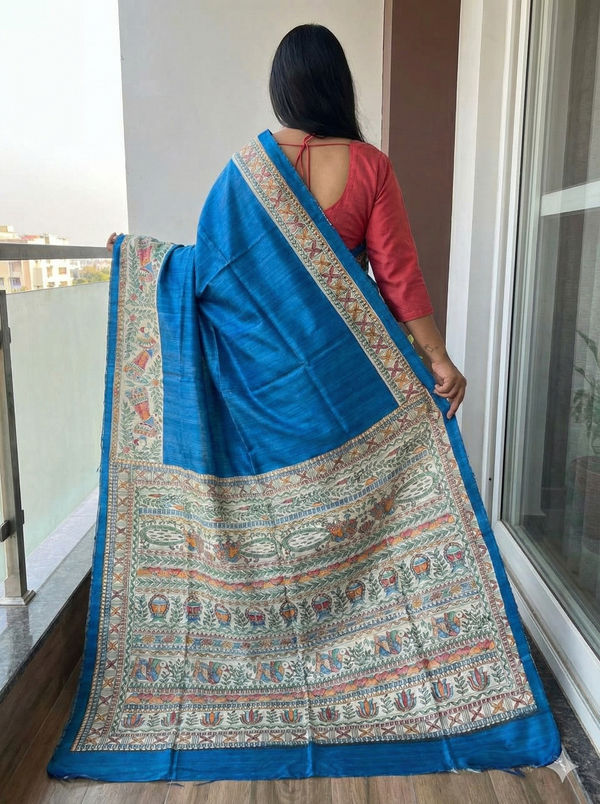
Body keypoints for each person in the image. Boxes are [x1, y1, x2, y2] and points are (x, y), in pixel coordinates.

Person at [50, 24, 560, 783]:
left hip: (263, 400)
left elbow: (210, 281)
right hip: (347, 397)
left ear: (284, 88)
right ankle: (367, 660)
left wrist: (145, 263)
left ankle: (282, 667)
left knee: (271, 536)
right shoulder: (370, 168)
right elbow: (397, 278)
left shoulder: (241, 175)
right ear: (337, 87)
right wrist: (438, 360)